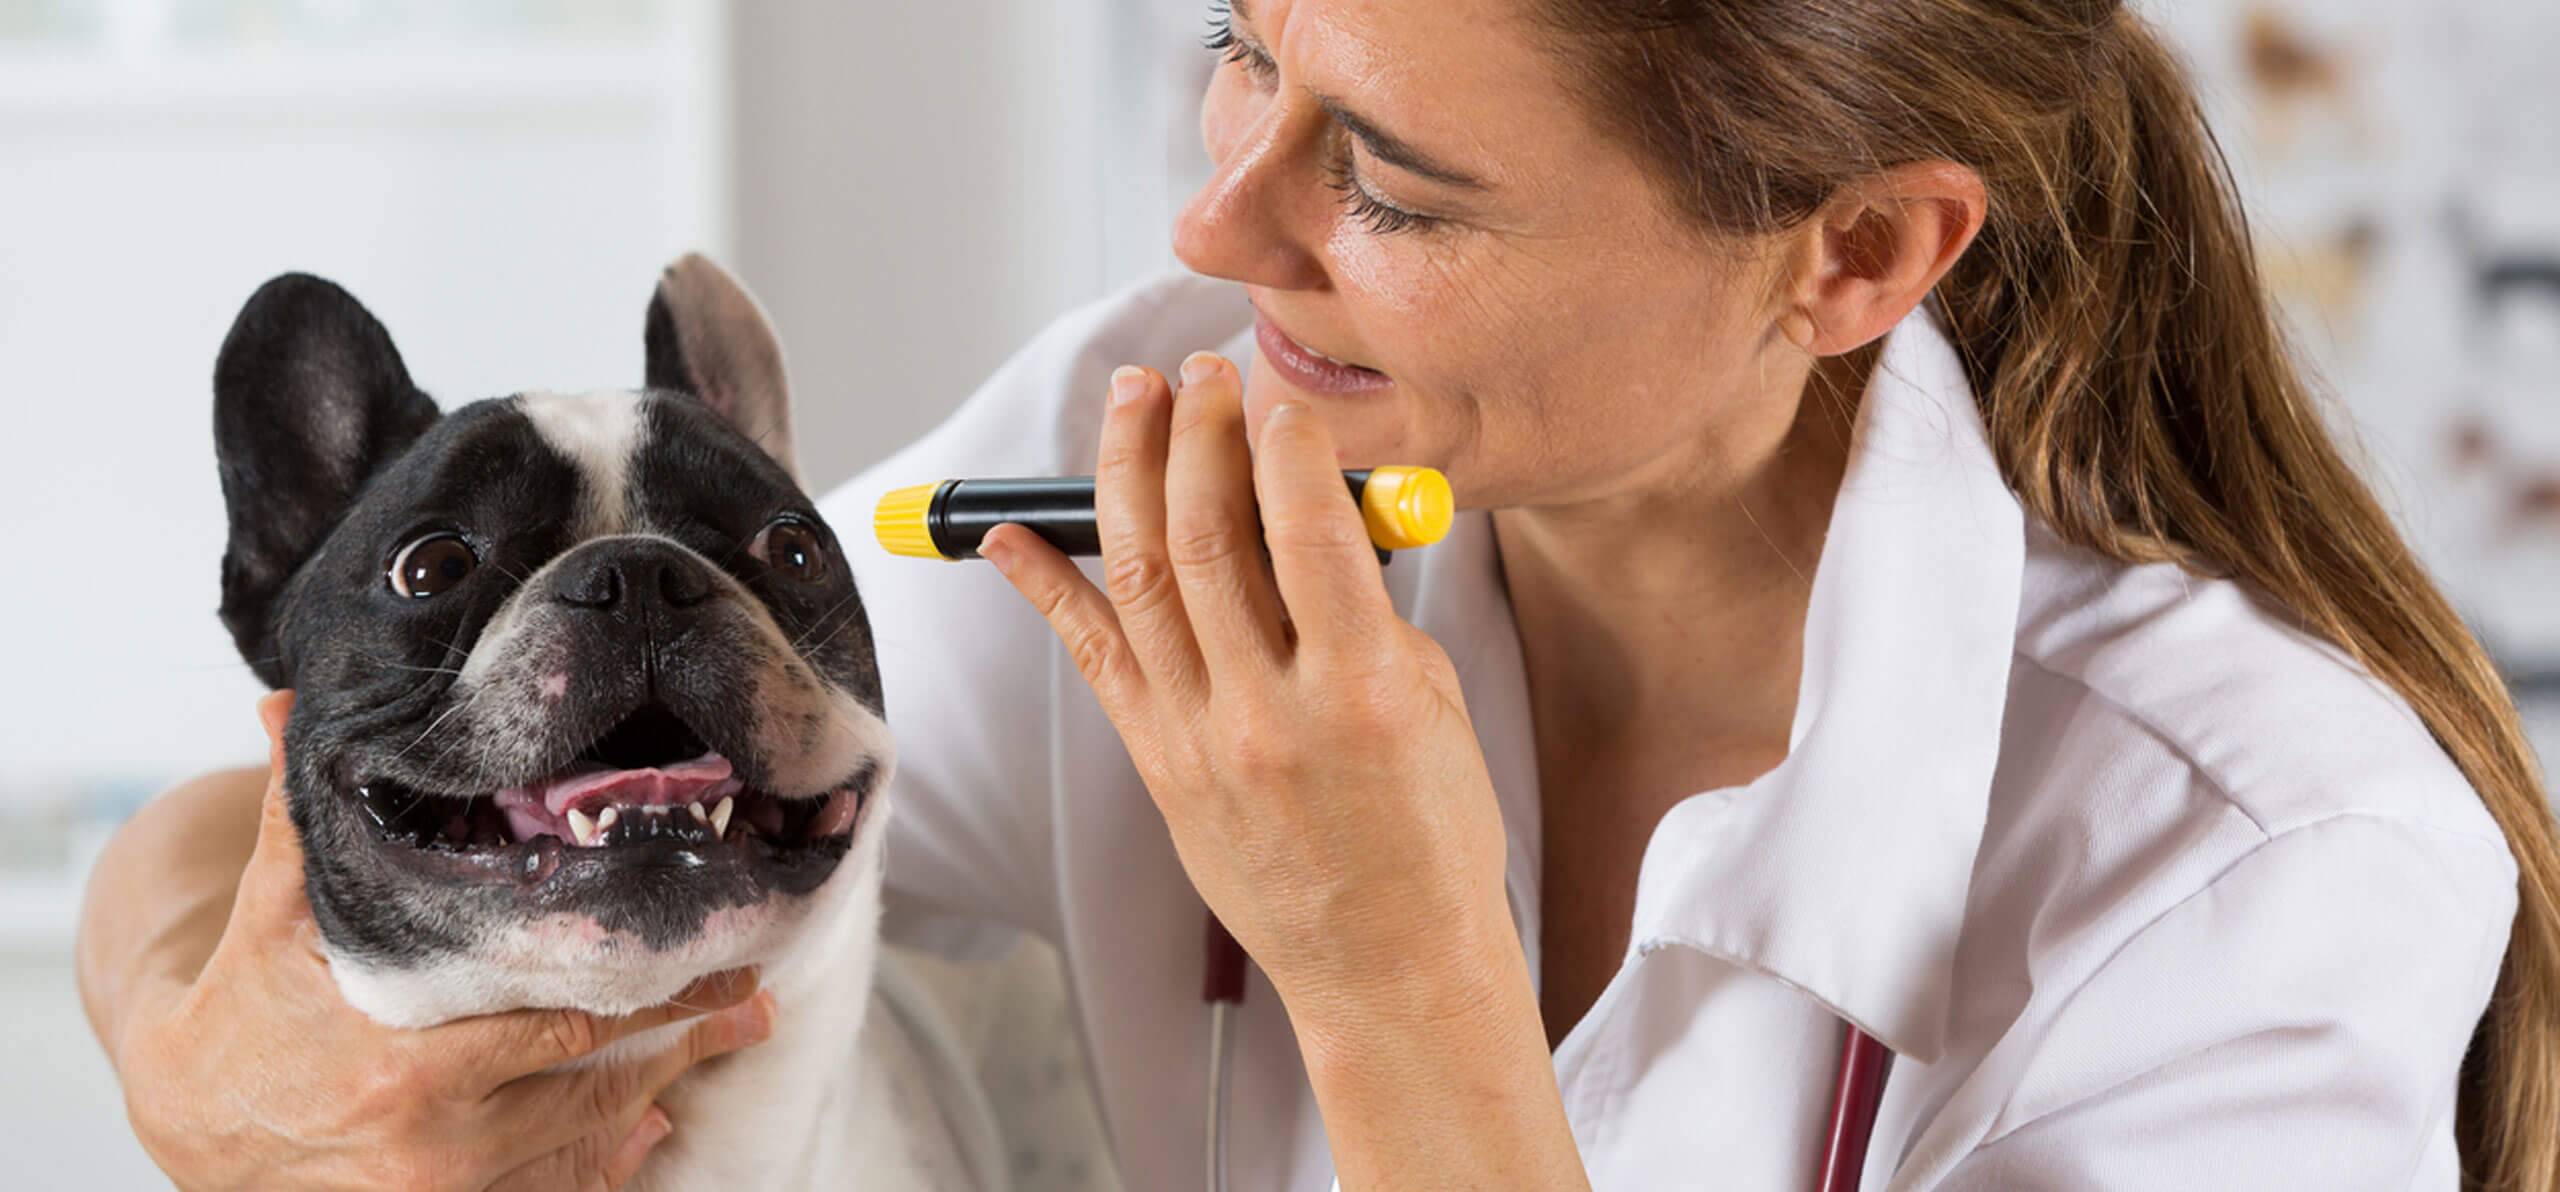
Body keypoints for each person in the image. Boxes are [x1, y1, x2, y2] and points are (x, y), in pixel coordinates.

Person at [76, 0, 2560, 1188]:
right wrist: (207, 1037)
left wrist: (1392, 974)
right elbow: (247, 805)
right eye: (1242, 49)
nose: (1214, 216)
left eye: (1387, 179)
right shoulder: (1167, 425)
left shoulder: (2258, 878)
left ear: (1851, 255)